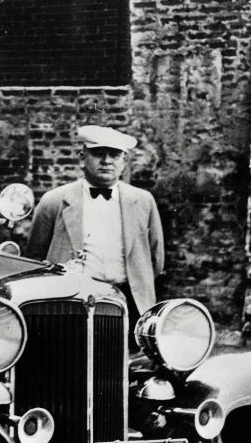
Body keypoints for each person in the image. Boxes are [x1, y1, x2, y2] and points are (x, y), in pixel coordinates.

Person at [26, 124, 164, 325]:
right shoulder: (55, 200)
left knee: (129, 356)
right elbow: (35, 258)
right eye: (98, 154)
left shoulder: (143, 201)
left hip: (131, 300)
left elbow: (155, 258)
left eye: (115, 155)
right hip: (73, 299)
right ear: (83, 159)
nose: (106, 161)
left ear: (124, 162)